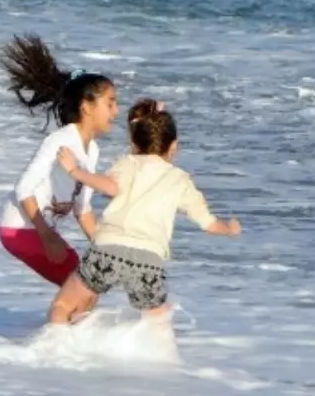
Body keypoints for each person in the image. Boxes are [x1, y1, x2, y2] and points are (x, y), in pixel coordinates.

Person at [49, 99, 242, 324]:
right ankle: (162, 356)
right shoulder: (181, 180)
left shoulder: (127, 163)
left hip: (107, 251)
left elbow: (110, 186)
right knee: (157, 323)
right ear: (173, 146)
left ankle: (55, 348)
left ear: (133, 142)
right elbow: (209, 224)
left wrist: (74, 170)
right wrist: (230, 228)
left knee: (63, 306)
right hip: (148, 261)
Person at [0, 35, 119, 287]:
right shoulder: (60, 141)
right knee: (83, 284)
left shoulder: (91, 150)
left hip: (34, 229)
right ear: (86, 106)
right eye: (110, 103)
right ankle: (59, 325)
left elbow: (82, 209)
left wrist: (105, 249)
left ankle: (64, 325)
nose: (116, 111)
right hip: (20, 227)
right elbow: (24, 189)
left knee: (85, 287)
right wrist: (47, 236)